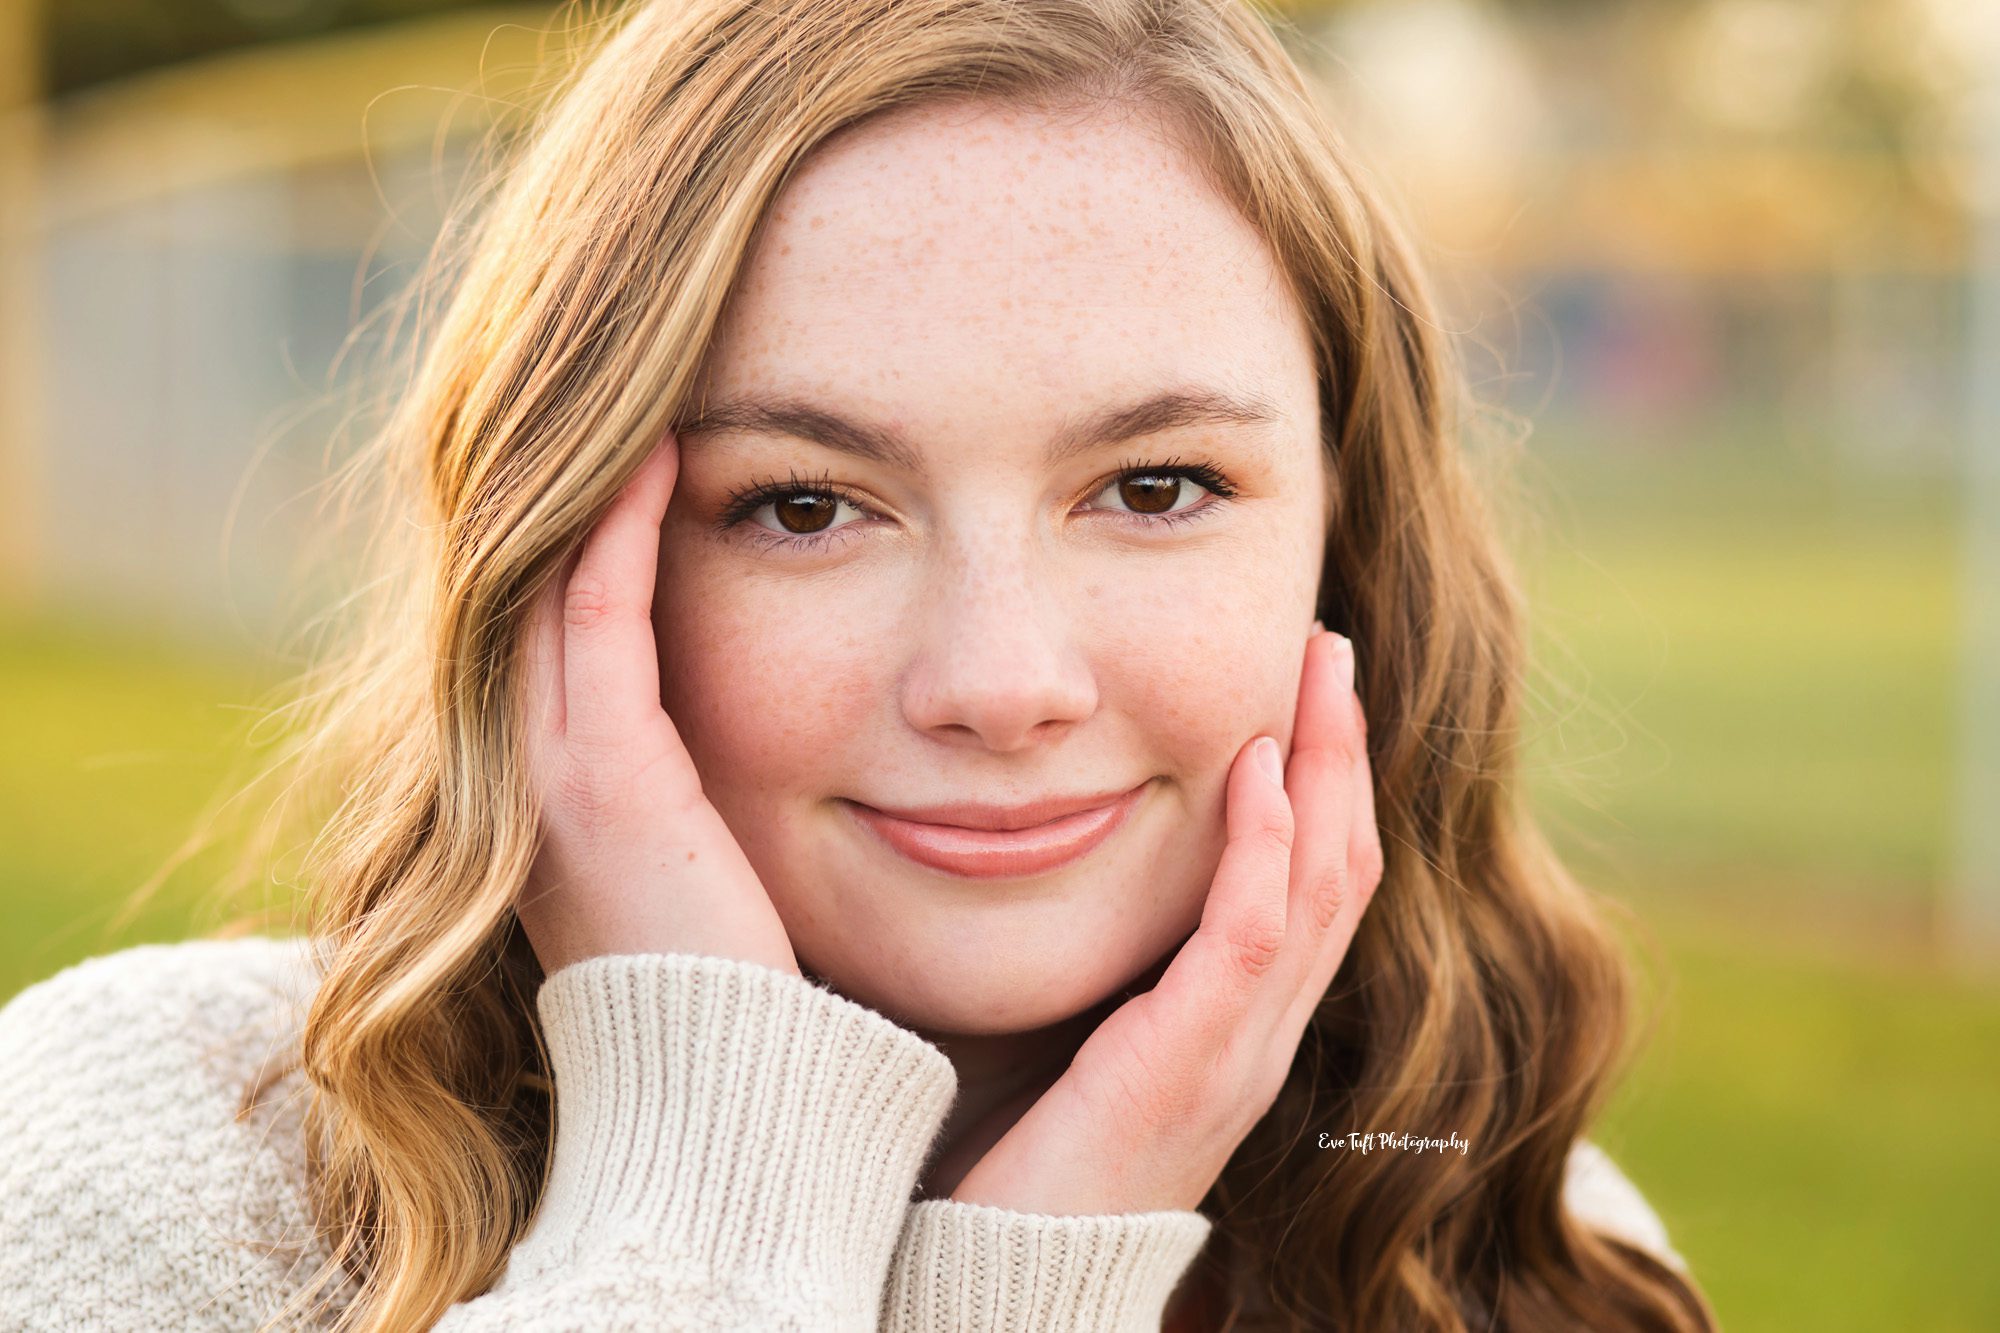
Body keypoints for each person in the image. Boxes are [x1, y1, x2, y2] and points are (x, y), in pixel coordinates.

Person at [0, 0, 1720, 1328]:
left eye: (1156, 485)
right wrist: (723, 1195)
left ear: (1346, 547)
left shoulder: (1526, 1255)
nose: (1001, 678)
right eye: (807, 504)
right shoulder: (151, 1168)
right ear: (564, 557)